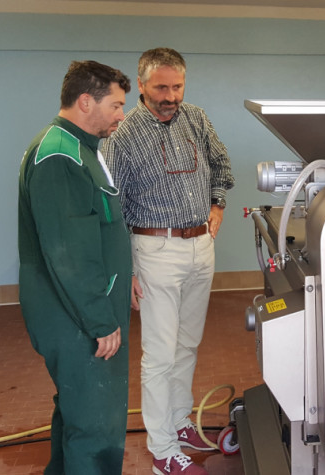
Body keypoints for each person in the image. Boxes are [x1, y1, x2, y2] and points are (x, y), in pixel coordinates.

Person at [101, 47, 235, 475]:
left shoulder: (196, 117)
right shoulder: (122, 136)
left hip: (201, 246)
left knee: (188, 345)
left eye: (177, 86)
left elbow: (221, 164)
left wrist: (217, 204)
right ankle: (162, 449)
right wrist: (129, 272)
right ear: (141, 86)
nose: (170, 95)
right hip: (153, 251)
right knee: (159, 354)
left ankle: (180, 422)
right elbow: (111, 208)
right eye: (161, 87)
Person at [18, 60, 132, 474]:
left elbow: (97, 231)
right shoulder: (60, 156)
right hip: (77, 318)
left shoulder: (81, 148)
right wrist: (101, 321)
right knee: (95, 424)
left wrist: (125, 282)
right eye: (116, 105)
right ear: (86, 101)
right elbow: (69, 255)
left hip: (84, 310)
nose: (122, 115)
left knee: (79, 412)